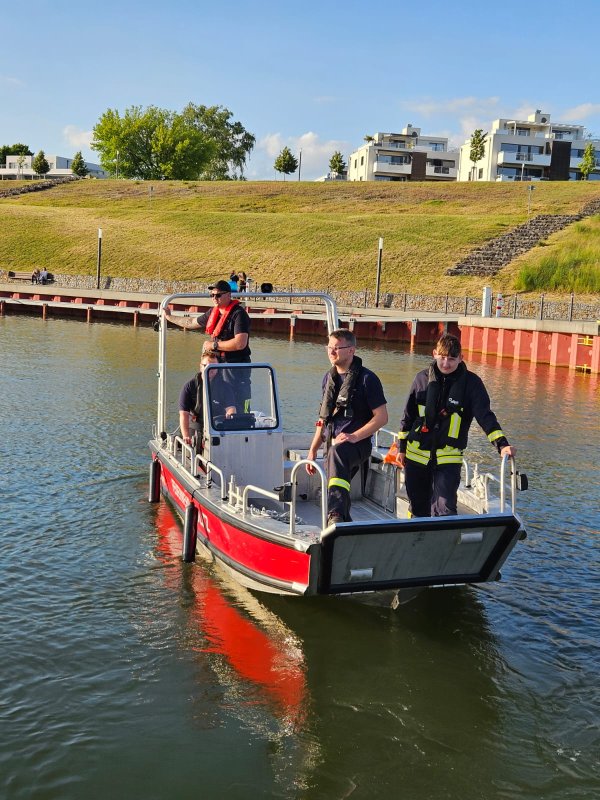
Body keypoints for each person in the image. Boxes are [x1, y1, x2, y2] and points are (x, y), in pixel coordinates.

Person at [396, 333, 517, 518]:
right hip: (416, 456)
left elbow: (485, 417)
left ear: (461, 358)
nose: (445, 363)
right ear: (434, 353)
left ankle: (442, 545)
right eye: (442, 357)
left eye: (451, 359)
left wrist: (502, 445)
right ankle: (418, 543)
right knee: (417, 507)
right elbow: (408, 416)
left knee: (444, 508)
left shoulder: (472, 384)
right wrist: (401, 448)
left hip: (448, 459)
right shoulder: (421, 379)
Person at [306, 329, 388, 525]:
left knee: (337, 463)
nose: (331, 352)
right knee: (337, 485)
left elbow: (382, 417)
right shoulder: (329, 379)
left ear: (351, 350)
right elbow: (323, 419)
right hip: (333, 446)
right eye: (329, 347)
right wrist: (312, 450)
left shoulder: (368, 380)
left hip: (357, 445)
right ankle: (344, 522)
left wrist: (355, 436)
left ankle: (335, 516)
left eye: (337, 348)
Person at [165, 279, 252, 411]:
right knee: (218, 399)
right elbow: (191, 322)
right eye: (212, 295)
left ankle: (242, 422)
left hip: (236, 368)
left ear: (228, 295)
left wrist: (214, 345)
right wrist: (170, 318)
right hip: (217, 367)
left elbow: (240, 343)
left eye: (218, 295)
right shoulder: (213, 312)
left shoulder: (239, 314)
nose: (214, 298)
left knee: (239, 402)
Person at [179, 353, 237, 449]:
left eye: (213, 366)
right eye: (205, 366)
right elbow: (183, 414)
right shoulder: (190, 386)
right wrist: (186, 436)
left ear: (218, 368)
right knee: (194, 442)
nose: (209, 369)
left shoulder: (225, 387)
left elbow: (231, 409)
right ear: (200, 366)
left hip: (217, 426)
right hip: (196, 425)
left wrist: (230, 415)